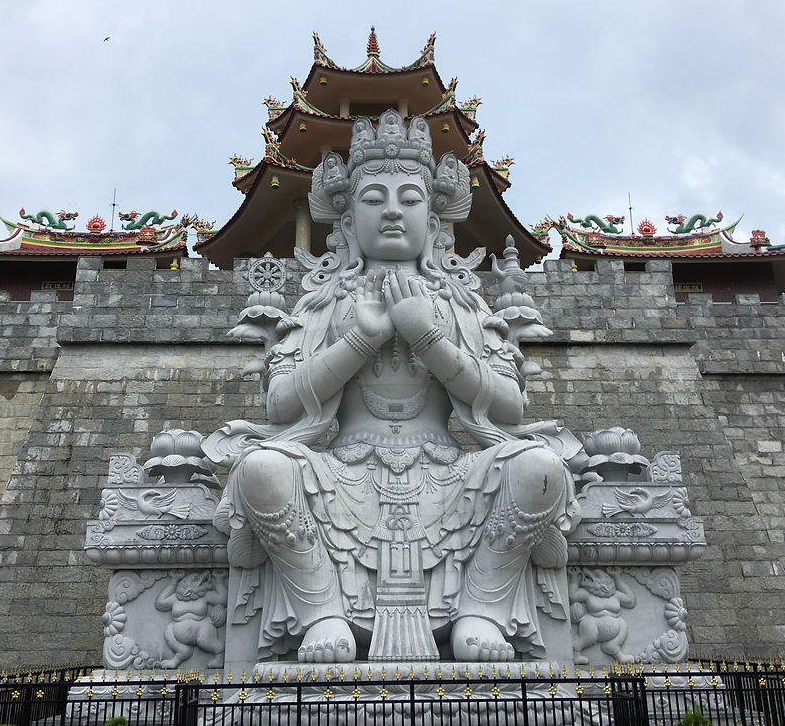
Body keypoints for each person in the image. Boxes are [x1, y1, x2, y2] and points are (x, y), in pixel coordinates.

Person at [205, 111, 579, 663]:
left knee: (539, 467)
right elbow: (282, 404)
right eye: (374, 198)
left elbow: (509, 404)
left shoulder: (462, 303)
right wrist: (362, 337)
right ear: (347, 219)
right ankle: (322, 616)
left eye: (409, 197)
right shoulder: (324, 302)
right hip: (344, 468)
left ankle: (482, 610)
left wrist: (426, 335)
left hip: (447, 468)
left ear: (435, 218)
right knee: (263, 469)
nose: (393, 210)